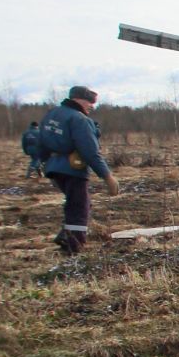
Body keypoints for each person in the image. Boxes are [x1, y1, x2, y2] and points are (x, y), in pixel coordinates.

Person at [38, 85, 120, 254]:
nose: (92, 106)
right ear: (79, 100)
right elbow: (90, 151)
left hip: (54, 168)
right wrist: (107, 176)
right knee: (79, 206)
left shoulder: (51, 115)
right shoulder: (79, 119)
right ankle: (74, 246)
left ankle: (66, 235)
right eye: (90, 102)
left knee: (77, 204)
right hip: (72, 169)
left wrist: (44, 163)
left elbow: (40, 144)